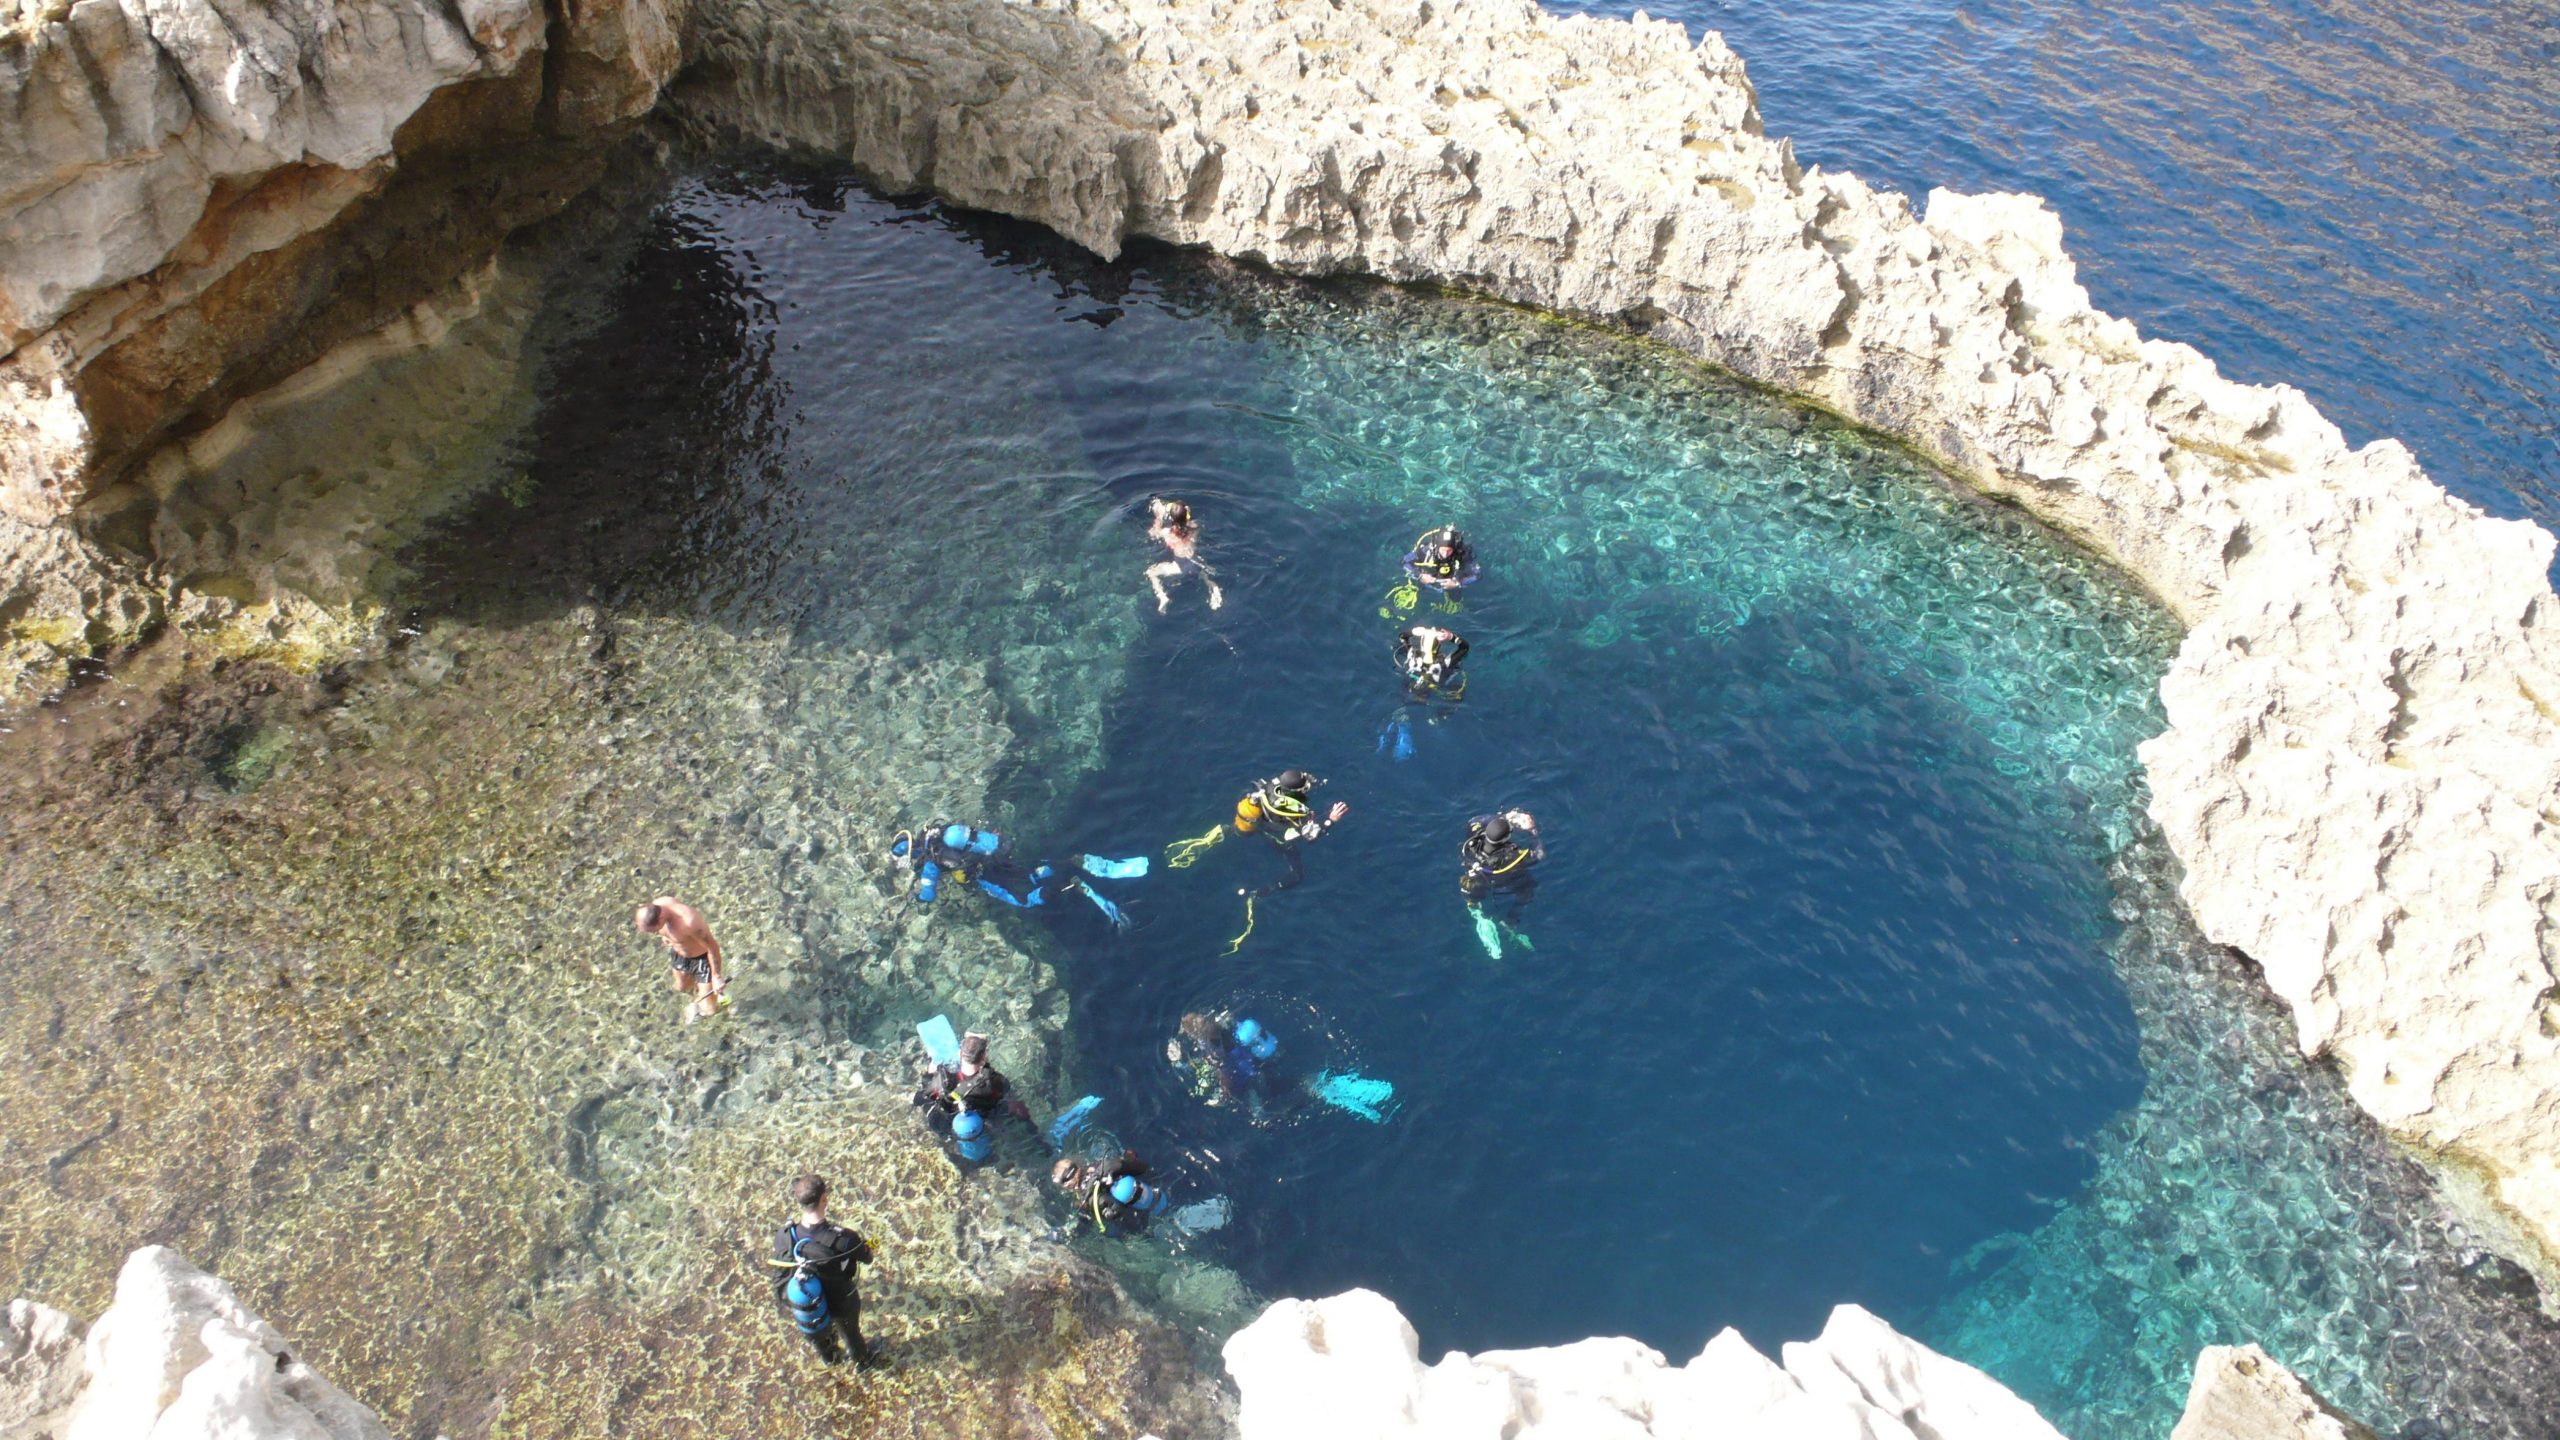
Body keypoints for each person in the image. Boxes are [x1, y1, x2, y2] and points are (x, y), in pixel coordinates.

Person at [891, 821, 1145, 928]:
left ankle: (1068, 885)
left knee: (1023, 900)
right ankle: (1070, 862)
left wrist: (915, 898)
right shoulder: (938, 830)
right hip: (1000, 852)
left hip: (986, 872)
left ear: (913, 853)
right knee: (1030, 872)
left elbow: (928, 895)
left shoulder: (931, 864)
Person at [766, 1173, 877, 1367]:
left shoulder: (784, 1236)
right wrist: (868, 1248)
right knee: (851, 1335)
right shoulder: (845, 1239)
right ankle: (862, 1362)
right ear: (824, 1199)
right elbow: (867, 1258)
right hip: (840, 1303)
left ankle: (831, 1360)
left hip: (808, 1303)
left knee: (820, 1338)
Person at [1231, 770, 1350, 897]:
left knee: (1240, 829)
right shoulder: (1295, 813)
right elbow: (1311, 837)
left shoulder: (1271, 786)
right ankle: (1260, 893)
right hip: (1279, 840)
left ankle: (1227, 829)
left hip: (1258, 824)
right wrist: (1331, 820)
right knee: (1297, 876)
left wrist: (1316, 782)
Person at [1460, 810, 1544, 960]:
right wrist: (1533, 832)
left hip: (1472, 881)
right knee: (1528, 888)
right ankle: (1510, 922)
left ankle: (1479, 917)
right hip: (1499, 881)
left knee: (1473, 902)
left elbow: (1473, 821)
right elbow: (1539, 855)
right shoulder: (1512, 856)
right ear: (1506, 838)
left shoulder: (1473, 841)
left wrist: (1504, 817)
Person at [634, 896, 727, 1022]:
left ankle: (717, 1003)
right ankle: (699, 995)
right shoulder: (659, 904)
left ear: (660, 918)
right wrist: (665, 937)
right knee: (681, 987)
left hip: (702, 959)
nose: (655, 932)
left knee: (710, 1010)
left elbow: (713, 948)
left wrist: (716, 976)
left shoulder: (690, 922)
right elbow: (662, 928)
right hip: (679, 954)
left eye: (654, 930)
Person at [1168, 1012, 1282, 1110]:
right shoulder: (1222, 1025)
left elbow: (1224, 1074)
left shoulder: (1214, 1052)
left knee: (1256, 1105)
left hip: (1246, 1074)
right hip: (1253, 1061)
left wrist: (1223, 1097)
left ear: (1194, 1035)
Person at [1049, 1150, 1170, 1237]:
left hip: (1141, 1222)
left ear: (1068, 1185)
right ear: (1077, 1166)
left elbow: (1083, 1228)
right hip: (1157, 1196)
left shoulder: (1084, 1202)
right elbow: (1136, 1165)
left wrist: (1065, 1234)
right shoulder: (1101, 1166)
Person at [1145, 496, 1225, 614]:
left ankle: (1162, 597)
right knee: (1205, 576)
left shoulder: (1167, 533)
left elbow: (1153, 534)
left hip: (1179, 567)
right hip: (1195, 563)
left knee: (1150, 572)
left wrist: (1158, 518)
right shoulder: (1194, 527)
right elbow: (1186, 520)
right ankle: (1213, 588)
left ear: (1172, 518)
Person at [1392, 624, 1470, 703]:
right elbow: (1464, 648)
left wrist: (1413, 632)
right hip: (1432, 692)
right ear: (1437, 647)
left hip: (1409, 689)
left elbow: (1402, 637)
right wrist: (1451, 637)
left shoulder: (1413, 655)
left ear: (1422, 643)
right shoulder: (1444, 663)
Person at [1404, 525, 1480, 592]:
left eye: (1449, 550)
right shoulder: (1427, 550)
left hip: (1452, 581)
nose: (1445, 554)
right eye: (1443, 550)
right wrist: (1419, 576)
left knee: (1455, 596)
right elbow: (1404, 562)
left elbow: (1477, 575)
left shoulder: (1462, 554)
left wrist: (1457, 584)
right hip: (1428, 580)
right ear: (1437, 547)